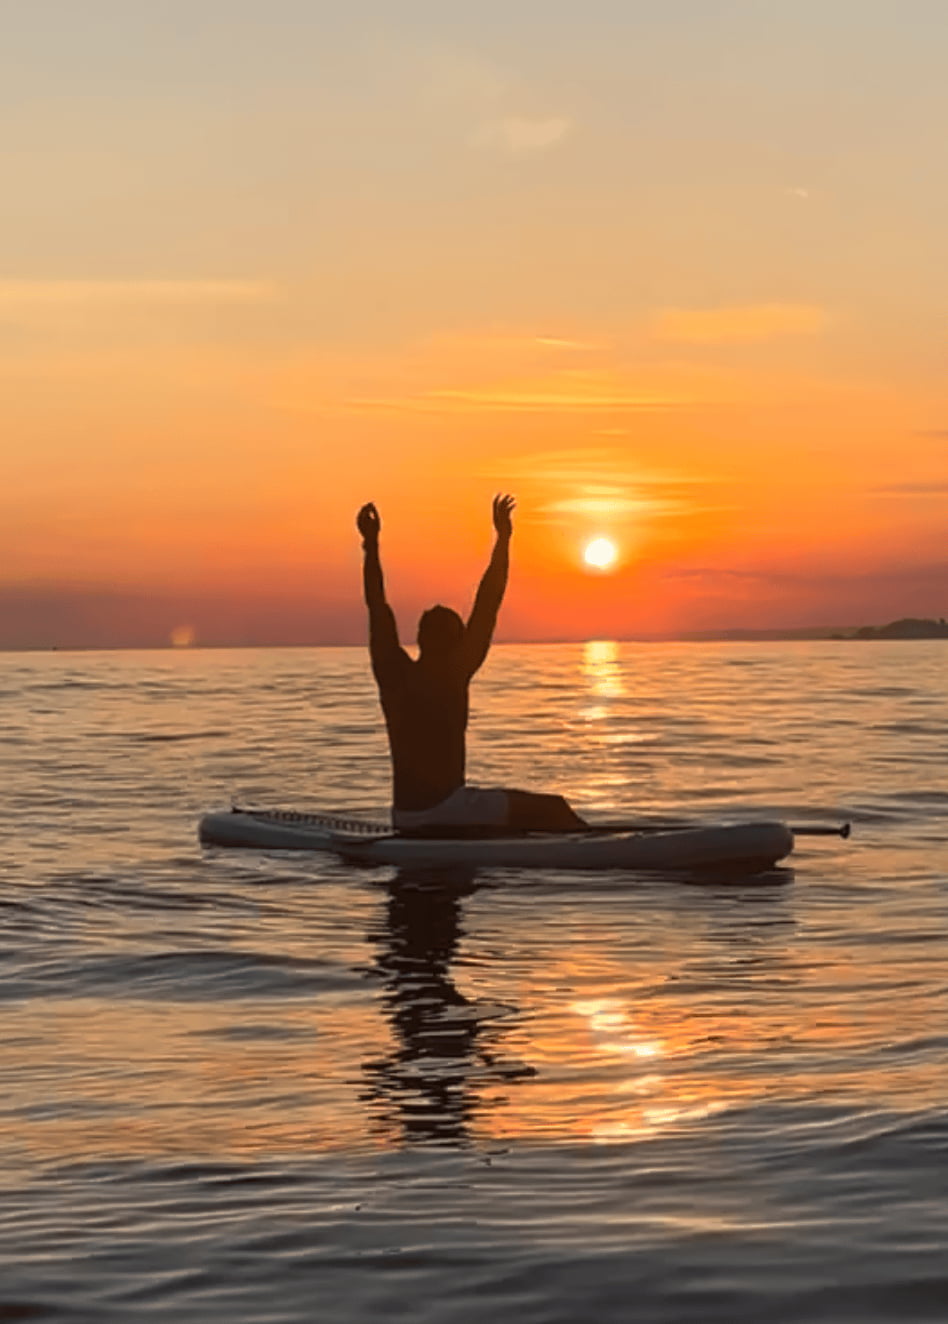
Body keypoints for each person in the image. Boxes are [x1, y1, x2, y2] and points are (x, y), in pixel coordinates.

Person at [356, 496, 586, 834]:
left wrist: (371, 545)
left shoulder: (393, 673)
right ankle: (601, 850)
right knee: (554, 808)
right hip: (448, 810)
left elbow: (377, 605)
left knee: (520, 818)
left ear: (420, 638)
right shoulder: (453, 673)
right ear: (454, 641)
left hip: (404, 816)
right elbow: (489, 601)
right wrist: (504, 539)